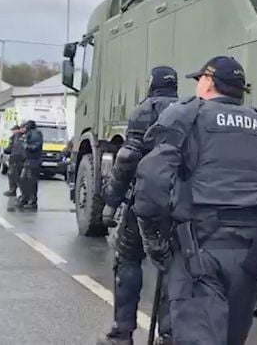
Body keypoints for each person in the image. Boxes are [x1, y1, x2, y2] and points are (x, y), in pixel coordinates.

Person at [134, 56, 257, 345]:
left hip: (199, 247)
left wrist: (152, 237)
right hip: (251, 251)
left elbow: (151, 179)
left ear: (207, 82)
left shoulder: (187, 116)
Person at [97, 66, 179, 345]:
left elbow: (128, 160)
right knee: (174, 267)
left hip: (143, 202)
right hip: (179, 205)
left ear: (151, 84)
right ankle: (169, 335)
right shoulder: (190, 112)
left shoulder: (145, 111)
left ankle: (122, 332)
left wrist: (111, 202)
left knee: (128, 260)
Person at [17, 120, 43, 211]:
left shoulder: (35, 134)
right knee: (23, 179)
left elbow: (35, 147)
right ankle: (25, 198)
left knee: (31, 181)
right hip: (28, 160)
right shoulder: (30, 134)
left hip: (33, 160)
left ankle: (32, 201)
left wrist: (26, 145)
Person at [3, 125, 24, 198]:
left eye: (14, 130)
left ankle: (13, 190)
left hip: (16, 158)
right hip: (17, 158)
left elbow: (13, 147)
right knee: (14, 175)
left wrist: (6, 150)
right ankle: (13, 190)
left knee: (13, 174)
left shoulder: (17, 137)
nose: (13, 132)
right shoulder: (19, 136)